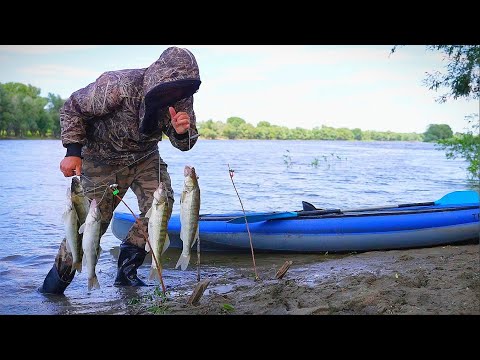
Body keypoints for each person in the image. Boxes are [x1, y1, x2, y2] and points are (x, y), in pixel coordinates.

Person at [38, 46, 201, 295]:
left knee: (162, 207)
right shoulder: (119, 84)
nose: (178, 92)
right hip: (102, 159)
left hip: (146, 157)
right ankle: (52, 290)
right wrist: (72, 152)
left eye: (184, 87)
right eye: (173, 85)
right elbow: (73, 108)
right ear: (160, 77)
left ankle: (127, 273)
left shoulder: (182, 97)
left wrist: (182, 133)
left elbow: (185, 144)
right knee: (89, 225)